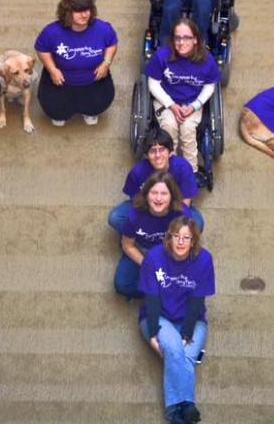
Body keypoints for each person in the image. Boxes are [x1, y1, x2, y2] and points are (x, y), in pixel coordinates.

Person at [139, 216, 215, 424]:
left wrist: (187, 333)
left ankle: (181, 408)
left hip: (192, 319)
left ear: (193, 241)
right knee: (173, 349)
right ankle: (182, 408)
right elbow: (151, 300)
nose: (181, 242)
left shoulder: (204, 259)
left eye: (186, 237)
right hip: (158, 317)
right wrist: (153, 334)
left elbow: (197, 301)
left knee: (189, 356)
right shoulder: (154, 258)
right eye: (176, 236)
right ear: (169, 238)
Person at [144, 19, 221, 174]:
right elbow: (153, 84)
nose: (181, 42)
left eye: (186, 38)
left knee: (187, 130)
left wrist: (195, 106)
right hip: (165, 101)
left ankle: (189, 172)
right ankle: (167, 170)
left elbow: (209, 86)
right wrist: (171, 105)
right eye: (177, 38)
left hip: (192, 103)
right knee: (169, 127)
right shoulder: (162, 56)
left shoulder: (206, 59)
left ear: (195, 39)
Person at [34, 0, 116, 127]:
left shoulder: (103, 29)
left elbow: (112, 43)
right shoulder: (51, 32)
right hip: (61, 83)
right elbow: (41, 48)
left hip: (94, 81)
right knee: (57, 114)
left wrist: (106, 63)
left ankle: (90, 111)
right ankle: (61, 112)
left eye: (87, 10)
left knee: (96, 105)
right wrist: (52, 69)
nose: (84, 15)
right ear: (67, 12)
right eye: (78, 11)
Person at [108, 128, 204, 233]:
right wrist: (150, 218)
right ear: (146, 155)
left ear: (170, 152)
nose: (158, 156)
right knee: (115, 217)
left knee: (197, 223)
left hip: (174, 209)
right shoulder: (138, 172)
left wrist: (167, 216)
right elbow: (136, 201)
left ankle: (169, 241)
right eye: (153, 151)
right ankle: (138, 239)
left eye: (162, 149)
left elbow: (185, 202)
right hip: (146, 209)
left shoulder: (182, 167)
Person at [114, 172, 189, 300]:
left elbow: (185, 247)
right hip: (141, 249)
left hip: (169, 251)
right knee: (122, 285)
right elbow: (127, 245)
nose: (158, 199)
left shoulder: (181, 215)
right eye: (154, 193)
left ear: (172, 196)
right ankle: (157, 292)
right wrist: (148, 265)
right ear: (147, 194)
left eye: (164, 194)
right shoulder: (134, 215)